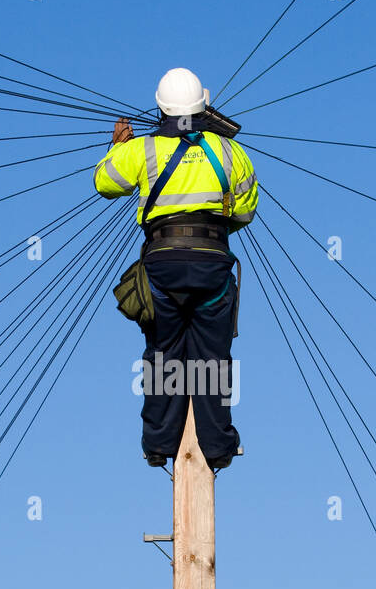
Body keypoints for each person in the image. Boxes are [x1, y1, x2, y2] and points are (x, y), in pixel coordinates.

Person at [94, 67, 259, 469]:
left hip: (162, 265)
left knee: (163, 354)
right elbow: (246, 210)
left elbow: (104, 183)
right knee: (212, 358)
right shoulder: (231, 153)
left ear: (161, 107)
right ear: (203, 105)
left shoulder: (142, 150)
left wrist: (117, 148)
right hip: (213, 263)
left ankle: (158, 444)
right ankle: (217, 447)